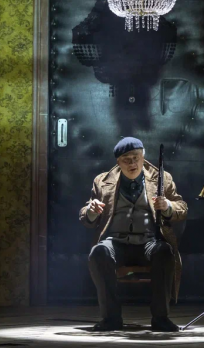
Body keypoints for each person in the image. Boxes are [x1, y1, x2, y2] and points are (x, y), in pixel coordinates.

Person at [79, 136, 188, 332]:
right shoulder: (102, 181)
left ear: (143, 156)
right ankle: (111, 318)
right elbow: (86, 215)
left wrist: (168, 206)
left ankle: (161, 318)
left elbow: (182, 207)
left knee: (165, 252)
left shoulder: (162, 178)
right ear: (118, 162)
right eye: (126, 159)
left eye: (136, 158)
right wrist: (92, 211)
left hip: (149, 242)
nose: (132, 163)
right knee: (99, 252)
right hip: (116, 242)